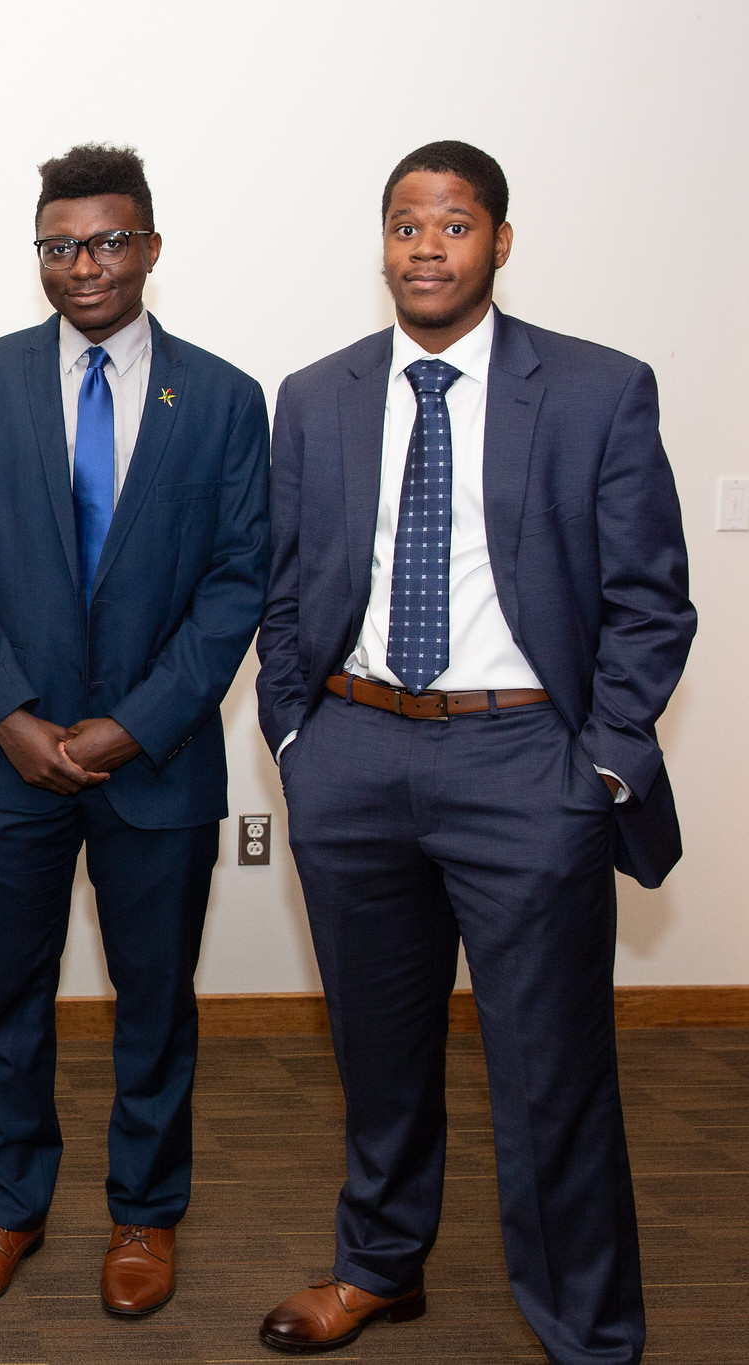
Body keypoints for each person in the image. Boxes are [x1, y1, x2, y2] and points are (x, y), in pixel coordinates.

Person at [253, 141, 694, 1362]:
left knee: (551, 1077)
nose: (426, 246)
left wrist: (597, 768)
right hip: (351, 754)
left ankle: (587, 1330)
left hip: (523, 772)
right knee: (376, 1052)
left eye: (453, 225)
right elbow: (284, 591)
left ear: (499, 243)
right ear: (381, 244)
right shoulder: (318, 393)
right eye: (405, 224)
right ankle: (379, 1268)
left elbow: (652, 601)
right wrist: (298, 737)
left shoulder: (598, 389)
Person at [0, 144, 270, 1316]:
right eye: (60, 245)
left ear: (152, 248)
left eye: (109, 241)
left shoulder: (221, 398)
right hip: (3, 764)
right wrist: (11, 716)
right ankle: (5, 1209)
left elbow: (236, 584)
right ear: (39, 255)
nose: (85, 266)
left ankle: (144, 1217)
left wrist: (132, 725)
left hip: (157, 763)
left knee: (155, 1004)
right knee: (4, 1004)